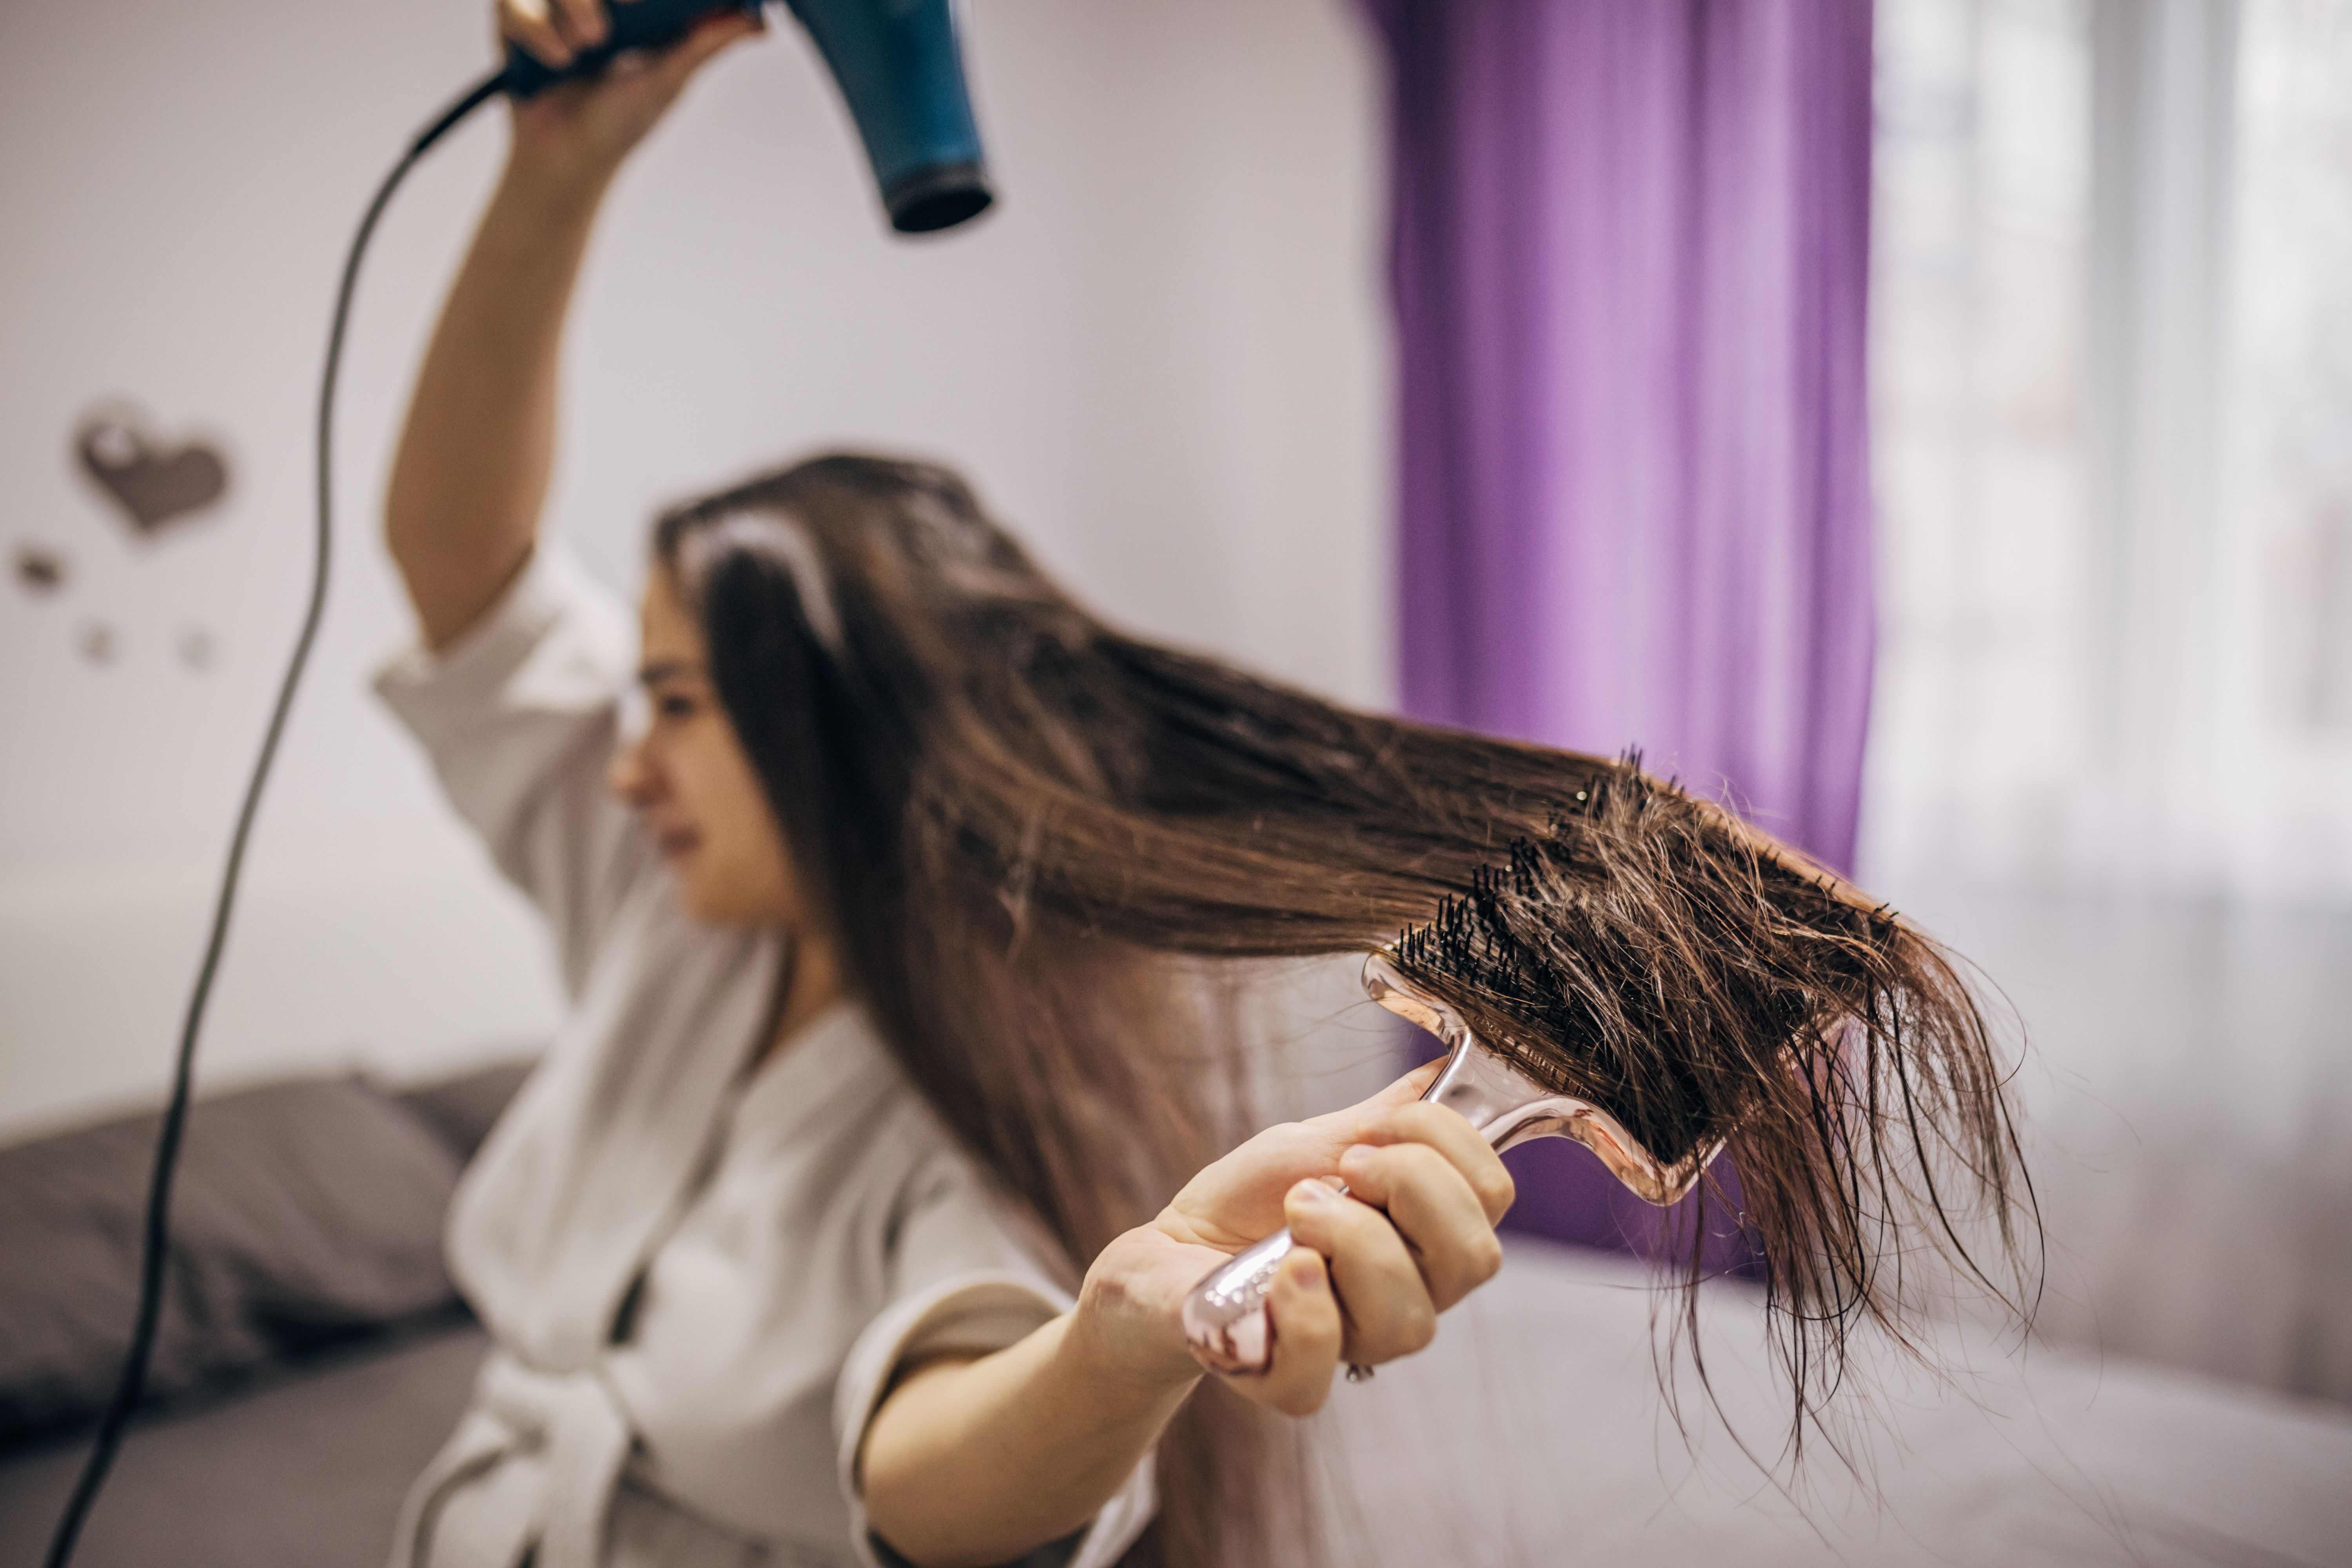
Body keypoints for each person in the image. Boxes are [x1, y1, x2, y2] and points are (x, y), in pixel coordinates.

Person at [377, 6, 1523, 1566]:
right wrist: (554, 174)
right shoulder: (670, 891)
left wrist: (1119, 1334)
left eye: (674, 704)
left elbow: (929, 1472)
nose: (624, 759)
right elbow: (466, 574)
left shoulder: (1000, 1077)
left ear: (835, 742)